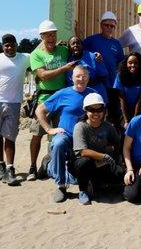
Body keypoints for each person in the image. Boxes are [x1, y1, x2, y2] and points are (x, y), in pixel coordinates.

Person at [35, 65, 96, 202]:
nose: (81, 79)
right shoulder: (63, 94)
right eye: (78, 76)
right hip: (66, 134)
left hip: (85, 136)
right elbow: (40, 110)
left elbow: (101, 113)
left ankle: (85, 185)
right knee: (58, 143)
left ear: (88, 78)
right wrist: (49, 129)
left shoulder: (93, 94)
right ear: (72, 78)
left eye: (84, 76)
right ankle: (61, 185)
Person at [27, 20, 75, 182]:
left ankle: (56, 165)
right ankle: (32, 166)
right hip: (44, 99)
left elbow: (77, 51)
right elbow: (43, 75)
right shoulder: (36, 55)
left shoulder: (63, 50)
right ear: (41, 36)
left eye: (53, 34)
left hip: (61, 100)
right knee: (37, 134)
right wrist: (63, 68)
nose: (51, 37)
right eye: (47, 35)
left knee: (61, 134)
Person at [0, 33, 30, 186]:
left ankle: (10, 169)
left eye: (12, 44)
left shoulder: (24, 58)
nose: (9, 47)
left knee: (10, 136)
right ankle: (1, 165)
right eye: (6, 45)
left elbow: (39, 53)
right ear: (2, 46)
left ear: (16, 45)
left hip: (14, 103)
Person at [71, 93, 123, 205]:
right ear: (86, 110)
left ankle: (96, 183)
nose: (96, 113)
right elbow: (82, 151)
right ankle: (83, 191)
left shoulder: (108, 126)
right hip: (84, 165)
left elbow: (118, 143)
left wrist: (118, 160)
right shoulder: (80, 127)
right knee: (84, 162)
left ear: (103, 110)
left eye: (99, 110)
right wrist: (104, 156)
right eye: (91, 110)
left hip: (103, 164)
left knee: (119, 176)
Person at [83, 11, 125, 130]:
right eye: (106, 25)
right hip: (97, 84)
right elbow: (79, 52)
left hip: (112, 85)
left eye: (112, 26)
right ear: (101, 25)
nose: (109, 28)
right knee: (97, 113)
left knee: (115, 114)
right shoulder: (92, 40)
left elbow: (121, 63)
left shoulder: (116, 44)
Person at [114, 52, 141, 129]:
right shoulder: (120, 76)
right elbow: (122, 99)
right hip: (123, 109)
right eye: (130, 63)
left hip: (140, 108)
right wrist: (126, 121)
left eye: (136, 63)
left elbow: (140, 100)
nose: (133, 65)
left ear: (140, 64)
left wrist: (135, 120)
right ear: (126, 64)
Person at [67, 36, 108, 103]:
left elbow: (103, 75)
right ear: (69, 47)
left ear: (82, 45)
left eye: (78, 43)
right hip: (78, 98)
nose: (75, 45)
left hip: (96, 96)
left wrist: (85, 82)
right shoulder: (68, 60)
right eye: (73, 44)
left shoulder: (93, 57)